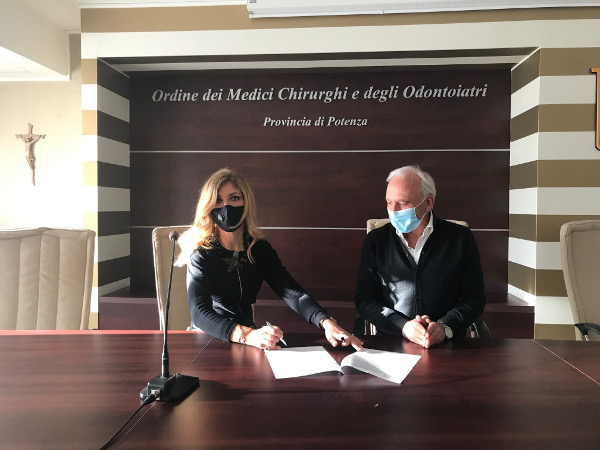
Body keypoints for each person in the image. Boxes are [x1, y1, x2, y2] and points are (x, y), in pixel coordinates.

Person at [177, 168, 363, 351]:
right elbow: (199, 312)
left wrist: (326, 322)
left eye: (234, 198)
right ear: (208, 206)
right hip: (208, 340)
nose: (226, 206)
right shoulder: (201, 254)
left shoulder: (259, 249)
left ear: (246, 202)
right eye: (218, 200)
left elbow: (293, 293)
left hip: (249, 339)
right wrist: (247, 335)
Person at [354, 165, 486, 348]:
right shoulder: (376, 241)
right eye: (389, 202)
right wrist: (402, 326)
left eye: (403, 203)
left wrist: (445, 327)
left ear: (428, 202)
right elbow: (365, 300)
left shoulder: (460, 239)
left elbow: (474, 299)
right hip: (393, 344)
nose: (394, 210)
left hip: (448, 345)